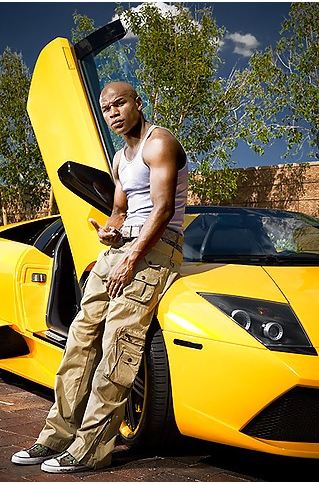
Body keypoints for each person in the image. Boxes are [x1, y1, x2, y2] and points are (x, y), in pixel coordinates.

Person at [11, 81, 188, 473]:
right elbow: (120, 210)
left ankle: (91, 448)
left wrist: (130, 259)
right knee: (79, 338)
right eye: (106, 108)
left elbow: (162, 210)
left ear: (137, 103)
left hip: (156, 248)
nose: (113, 113)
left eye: (120, 104)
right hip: (121, 247)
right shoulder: (120, 158)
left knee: (117, 345)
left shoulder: (159, 144)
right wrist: (111, 231)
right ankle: (56, 435)